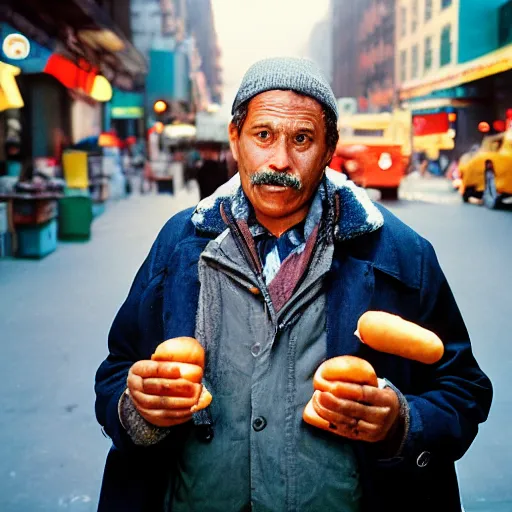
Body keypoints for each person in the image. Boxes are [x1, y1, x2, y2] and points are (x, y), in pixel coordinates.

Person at [94, 58, 492, 512]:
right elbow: (116, 369)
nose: (279, 160)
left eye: (301, 139)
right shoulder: (179, 244)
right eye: (263, 135)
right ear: (235, 139)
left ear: (328, 150)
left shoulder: (401, 254)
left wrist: (401, 423)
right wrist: (137, 408)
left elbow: (464, 388)